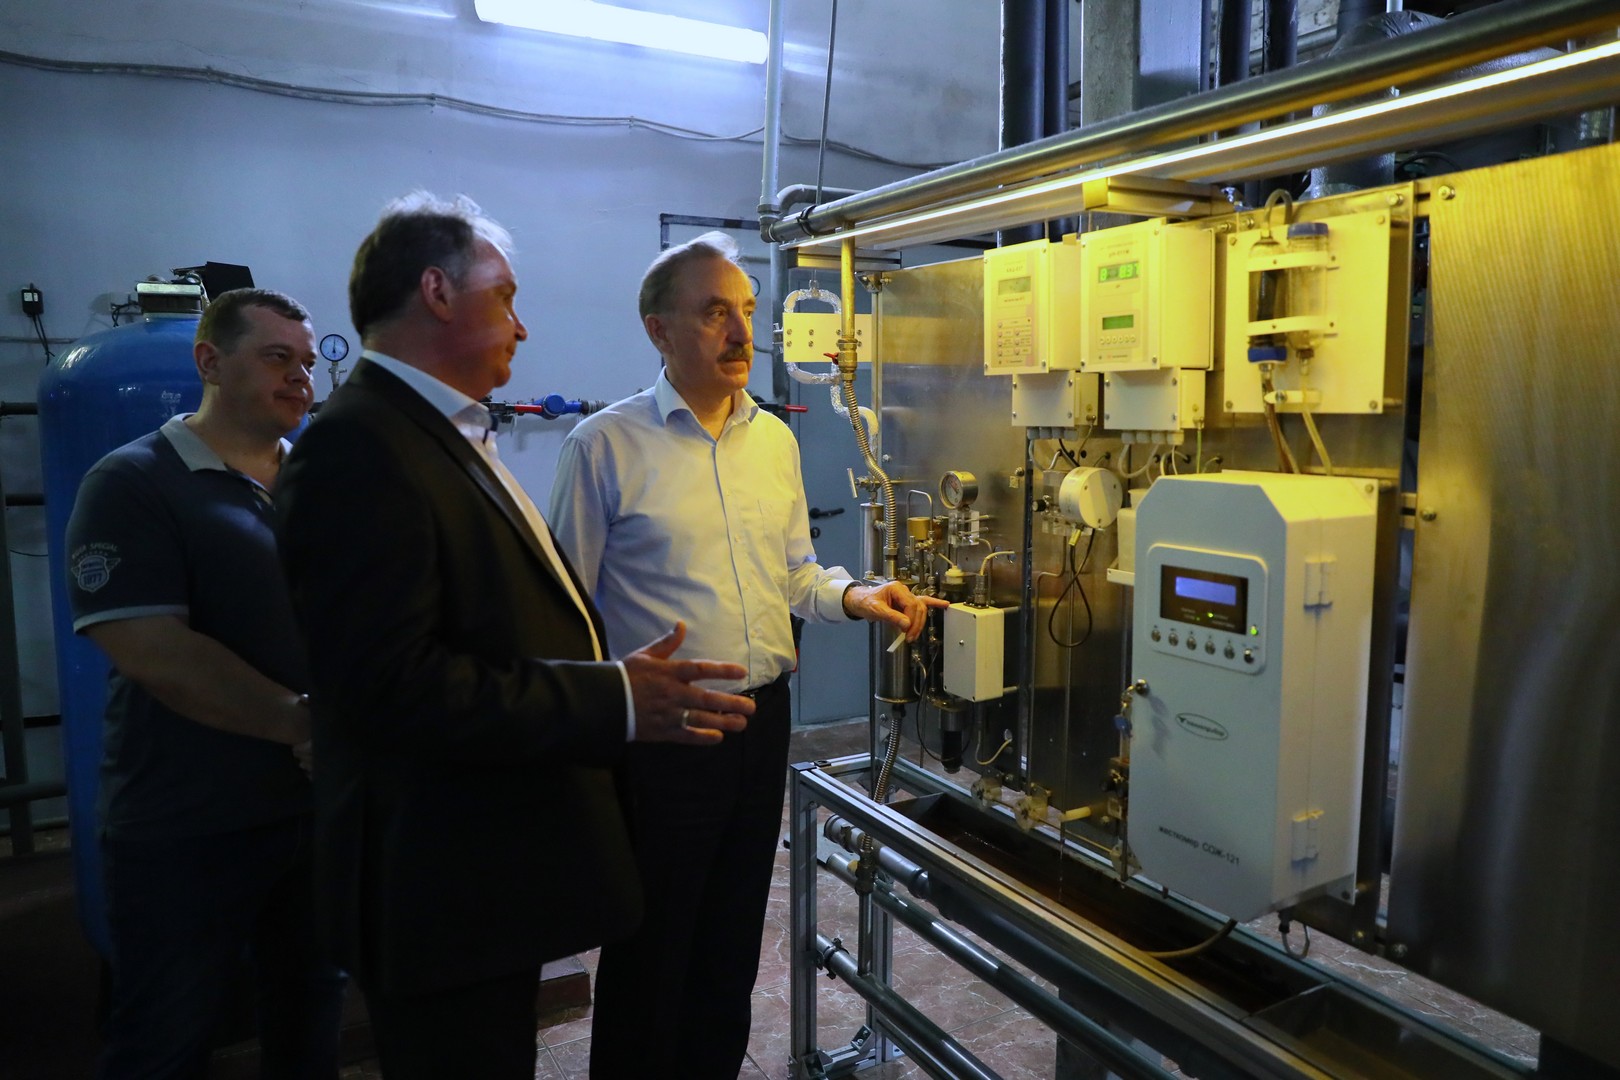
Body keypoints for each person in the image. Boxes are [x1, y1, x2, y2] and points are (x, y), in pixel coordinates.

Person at [273, 193, 757, 1080]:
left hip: (483, 870)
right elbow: (390, 687)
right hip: (440, 883)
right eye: (504, 297)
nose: (523, 326)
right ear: (436, 292)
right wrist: (612, 697)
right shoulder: (358, 447)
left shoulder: (438, 433)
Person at [548, 230, 948, 1078]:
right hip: (665, 736)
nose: (740, 333)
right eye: (713, 313)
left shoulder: (773, 441)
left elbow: (795, 570)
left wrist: (854, 595)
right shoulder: (604, 446)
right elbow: (566, 614)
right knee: (654, 948)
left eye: (746, 311)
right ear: (658, 330)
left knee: (730, 942)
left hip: (763, 725)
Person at [64, 287, 347, 1079]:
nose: (301, 377)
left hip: (311, 811)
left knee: (311, 1015)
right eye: (276, 357)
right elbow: (153, 648)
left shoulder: (319, 481)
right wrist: (302, 724)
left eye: (306, 361)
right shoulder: (133, 481)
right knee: (166, 1035)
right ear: (210, 362)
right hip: (186, 822)